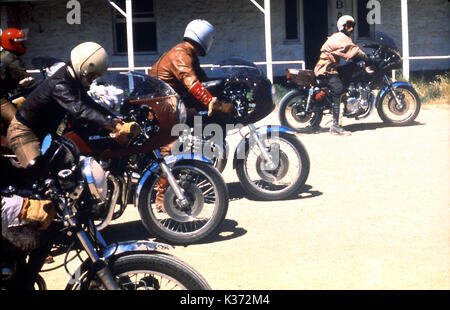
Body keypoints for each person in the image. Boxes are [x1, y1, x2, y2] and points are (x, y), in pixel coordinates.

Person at [6, 41, 138, 167]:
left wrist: (116, 119)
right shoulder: (60, 83)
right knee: (37, 170)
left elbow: (90, 104)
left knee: (71, 164)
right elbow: (80, 110)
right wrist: (114, 125)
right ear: (84, 66)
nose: (93, 80)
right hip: (24, 132)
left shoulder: (72, 79)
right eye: (93, 75)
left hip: (46, 133)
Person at [149, 19, 233, 211]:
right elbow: (193, 83)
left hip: (170, 103)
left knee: (198, 119)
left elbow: (202, 79)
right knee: (171, 145)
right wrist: (211, 102)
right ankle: (161, 197)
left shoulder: (189, 54)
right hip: (161, 108)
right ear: (203, 37)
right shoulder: (180, 54)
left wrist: (223, 87)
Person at [314, 15, 368, 135]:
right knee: (340, 91)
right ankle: (335, 126)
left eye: (353, 26)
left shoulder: (337, 37)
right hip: (327, 69)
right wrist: (368, 58)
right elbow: (355, 51)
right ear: (342, 26)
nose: (351, 29)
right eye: (349, 25)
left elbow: (346, 53)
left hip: (326, 67)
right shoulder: (342, 37)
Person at [1, 28, 37, 136]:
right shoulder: (10, 58)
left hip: (5, 94)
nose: (22, 44)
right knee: (18, 122)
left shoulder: (5, 55)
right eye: (19, 42)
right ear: (11, 42)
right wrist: (43, 88)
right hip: (1, 100)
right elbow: (25, 80)